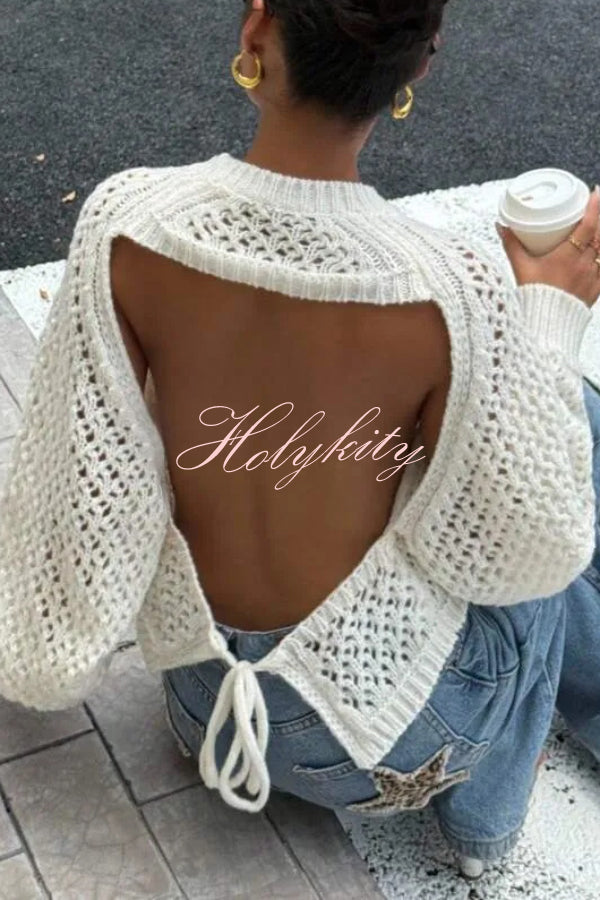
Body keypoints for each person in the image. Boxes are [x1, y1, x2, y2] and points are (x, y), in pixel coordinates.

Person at [1, 0, 599, 883]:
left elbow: (85, 485)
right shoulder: (457, 284)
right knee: (552, 488)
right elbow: (525, 550)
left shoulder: (126, 222)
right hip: (393, 738)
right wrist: (549, 314)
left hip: (207, 704)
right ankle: (484, 832)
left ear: (256, 31)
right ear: (419, 66)